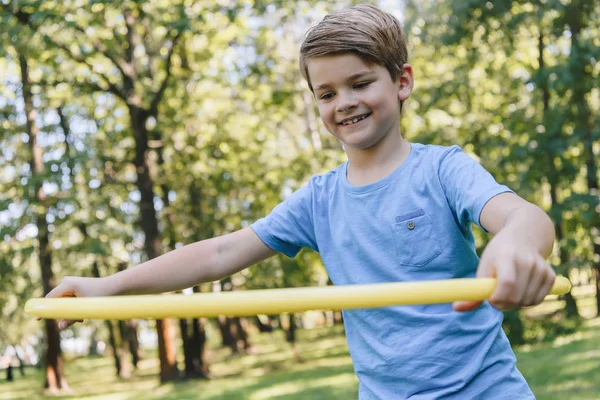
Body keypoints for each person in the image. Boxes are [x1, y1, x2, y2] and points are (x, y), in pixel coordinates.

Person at [46, 4, 556, 399]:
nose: (345, 103)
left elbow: (523, 217)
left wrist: (517, 245)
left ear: (402, 82)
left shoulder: (442, 168)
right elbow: (220, 254)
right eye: (327, 93)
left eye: (360, 83)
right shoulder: (318, 201)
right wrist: (107, 288)